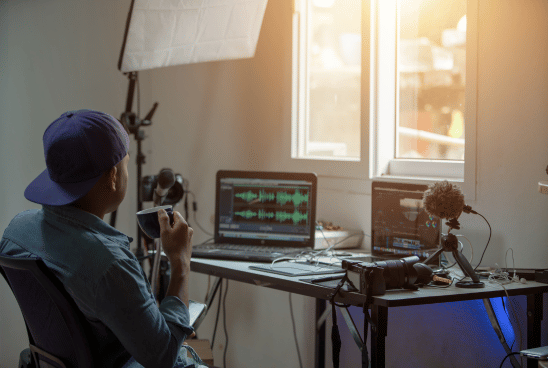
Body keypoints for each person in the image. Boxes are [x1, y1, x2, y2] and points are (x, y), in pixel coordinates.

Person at [0, 110, 206, 368]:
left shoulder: (16, 231)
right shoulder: (109, 264)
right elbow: (162, 357)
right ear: (112, 177)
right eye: (126, 164)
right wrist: (180, 264)